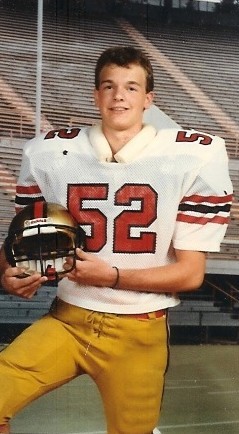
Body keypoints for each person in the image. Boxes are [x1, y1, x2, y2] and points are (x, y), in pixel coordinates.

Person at [0, 46, 233, 434]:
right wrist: (8, 273)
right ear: (96, 95)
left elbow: (191, 275)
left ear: (148, 99)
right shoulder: (51, 152)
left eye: (130, 87)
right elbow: (17, 243)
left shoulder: (190, 155)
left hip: (137, 331)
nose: (119, 95)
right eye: (108, 86)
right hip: (68, 320)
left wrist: (110, 276)